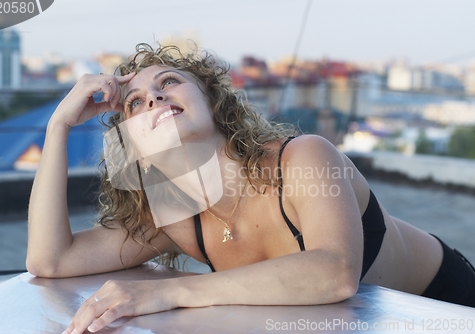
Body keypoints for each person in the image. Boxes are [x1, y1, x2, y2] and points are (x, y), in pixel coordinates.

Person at [27, 43, 475, 334]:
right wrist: (58, 126)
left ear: (213, 102)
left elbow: (336, 273)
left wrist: (170, 290)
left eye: (169, 83)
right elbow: (50, 260)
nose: (155, 99)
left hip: (445, 306)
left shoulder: (303, 157)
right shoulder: (174, 214)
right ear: (134, 146)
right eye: (136, 103)